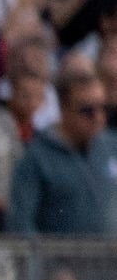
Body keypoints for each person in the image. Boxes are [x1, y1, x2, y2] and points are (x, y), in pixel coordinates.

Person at [6, 72, 115, 234]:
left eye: (103, 108)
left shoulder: (112, 146)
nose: (98, 117)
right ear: (64, 109)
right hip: (59, 258)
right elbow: (21, 225)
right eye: (87, 110)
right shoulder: (37, 158)